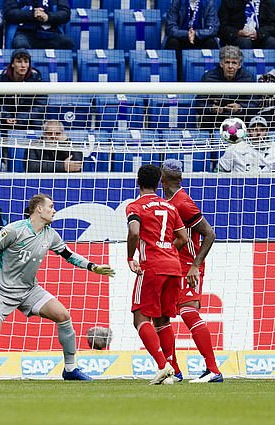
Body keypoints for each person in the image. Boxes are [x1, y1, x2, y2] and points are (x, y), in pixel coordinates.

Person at [0, 194, 115, 382]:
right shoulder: (15, 230)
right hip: (3, 292)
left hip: (30, 290)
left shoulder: (50, 234)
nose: (54, 210)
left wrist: (92, 266)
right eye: (51, 206)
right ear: (39, 209)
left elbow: (68, 254)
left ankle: (70, 369)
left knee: (63, 315)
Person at [160, 159, 223, 383]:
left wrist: (195, 265)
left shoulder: (183, 203)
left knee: (188, 312)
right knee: (161, 316)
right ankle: (174, 371)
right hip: (172, 265)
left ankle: (214, 370)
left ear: (162, 179)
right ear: (181, 178)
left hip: (188, 266)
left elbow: (210, 233)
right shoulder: (169, 201)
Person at [126, 164, 189, 385]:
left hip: (152, 267)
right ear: (158, 182)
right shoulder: (170, 207)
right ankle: (172, 371)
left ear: (137, 182)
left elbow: (134, 231)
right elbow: (183, 238)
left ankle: (163, 367)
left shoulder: (136, 206)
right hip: (173, 266)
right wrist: (167, 249)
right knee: (163, 320)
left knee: (140, 317)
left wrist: (130, 257)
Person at [196, 46, 255, 130]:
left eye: (234, 63)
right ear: (221, 64)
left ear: (239, 65)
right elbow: (199, 104)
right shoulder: (208, 78)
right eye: (227, 62)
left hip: (240, 119)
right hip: (215, 119)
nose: (230, 66)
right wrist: (212, 108)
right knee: (206, 119)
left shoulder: (248, 78)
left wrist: (240, 107)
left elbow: (255, 104)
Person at [0, 49, 47, 132]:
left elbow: (40, 106)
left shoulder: (37, 81)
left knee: (37, 122)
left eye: (26, 62)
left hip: (27, 119)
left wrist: (20, 118)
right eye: (19, 62)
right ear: (12, 64)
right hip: (5, 120)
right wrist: (6, 117)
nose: (23, 65)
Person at [4, 0, 74, 49]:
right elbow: (9, 13)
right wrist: (32, 14)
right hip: (24, 33)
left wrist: (48, 17)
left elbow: (65, 14)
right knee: (20, 44)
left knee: (67, 43)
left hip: (50, 33)